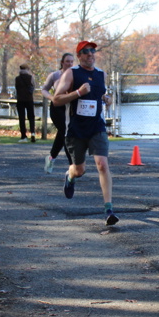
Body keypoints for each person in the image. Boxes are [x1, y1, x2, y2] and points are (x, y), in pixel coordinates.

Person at [53, 41, 118, 226]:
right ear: (79, 55)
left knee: (102, 164)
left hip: (97, 127)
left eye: (92, 51)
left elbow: (101, 95)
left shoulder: (101, 74)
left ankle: (109, 209)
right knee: (79, 170)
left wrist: (107, 99)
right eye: (86, 51)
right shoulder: (71, 73)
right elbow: (56, 99)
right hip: (76, 129)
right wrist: (77, 92)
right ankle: (70, 176)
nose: (90, 54)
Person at [41, 53, 74, 173]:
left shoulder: (75, 74)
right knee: (65, 132)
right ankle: (72, 164)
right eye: (67, 61)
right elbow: (44, 89)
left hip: (69, 107)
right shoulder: (55, 75)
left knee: (63, 133)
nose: (70, 64)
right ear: (62, 62)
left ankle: (51, 158)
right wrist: (51, 97)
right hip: (57, 107)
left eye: (72, 61)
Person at [15, 64, 36, 143]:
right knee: (31, 117)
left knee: (22, 118)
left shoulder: (17, 78)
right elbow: (33, 86)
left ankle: (23, 135)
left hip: (20, 100)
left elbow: (16, 88)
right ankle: (33, 133)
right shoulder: (30, 77)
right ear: (27, 69)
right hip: (29, 100)